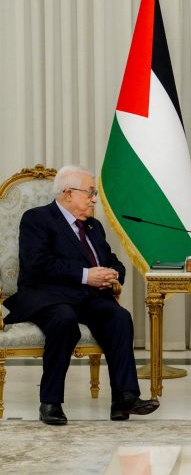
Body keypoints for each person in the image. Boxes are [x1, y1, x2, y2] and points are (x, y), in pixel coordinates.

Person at [4, 165, 160, 425]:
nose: (93, 199)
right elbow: (37, 263)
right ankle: (50, 402)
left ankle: (124, 397)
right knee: (64, 319)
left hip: (87, 297)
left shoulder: (93, 226)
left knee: (119, 317)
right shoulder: (37, 219)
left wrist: (112, 274)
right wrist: (87, 275)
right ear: (68, 193)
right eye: (90, 192)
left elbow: (112, 260)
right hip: (48, 296)